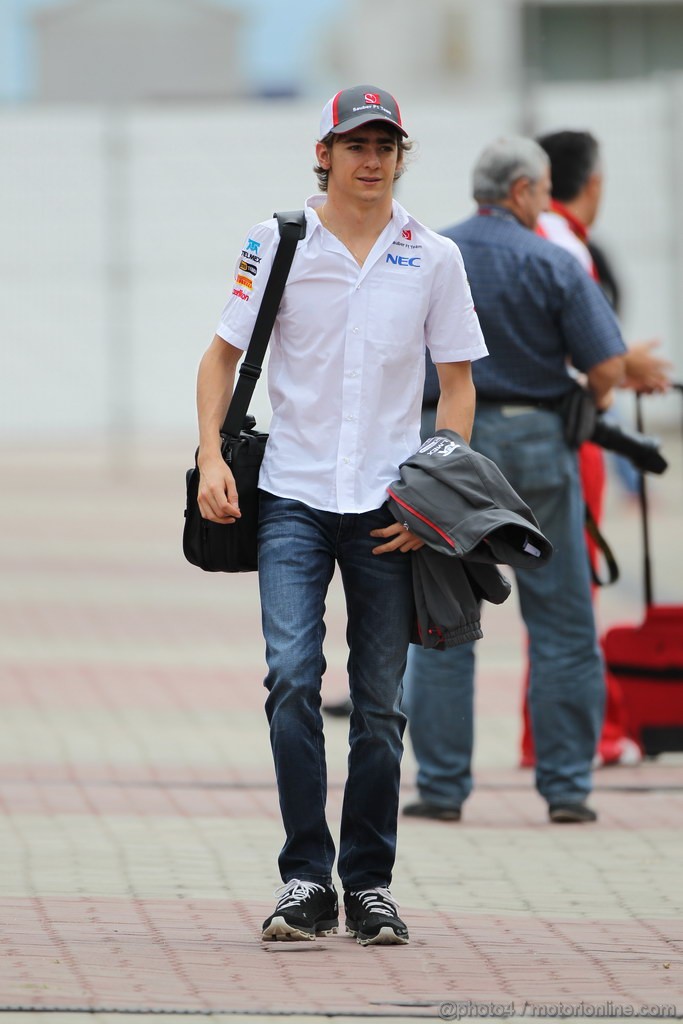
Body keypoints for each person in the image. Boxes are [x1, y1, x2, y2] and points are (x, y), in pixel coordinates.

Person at [194, 85, 488, 944]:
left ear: (401, 156)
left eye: (385, 145)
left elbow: (459, 388)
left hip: (386, 510)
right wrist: (212, 454)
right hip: (290, 495)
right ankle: (301, 878)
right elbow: (219, 358)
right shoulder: (277, 241)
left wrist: (432, 496)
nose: (370, 159)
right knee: (291, 680)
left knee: (378, 705)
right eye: (354, 143)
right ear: (322, 152)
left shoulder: (432, 257)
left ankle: (366, 884)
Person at [401, 136, 627, 826]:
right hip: (536, 443)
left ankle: (440, 789)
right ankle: (565, 790)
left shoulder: (430, 254)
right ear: (524, 191)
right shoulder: (553, 261)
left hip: (449, 442)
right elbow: (608, 368)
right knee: (560, 619)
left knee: (442, 615)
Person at [514, 129, 671, 770]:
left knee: (530, 597)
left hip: (493, 432)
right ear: (593, 183)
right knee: (570, 597)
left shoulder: (515, 236)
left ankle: (538, 735)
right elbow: (593, 355)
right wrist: (624, 366)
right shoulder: (567, 242)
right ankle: (584, 738)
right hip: (564, 434)